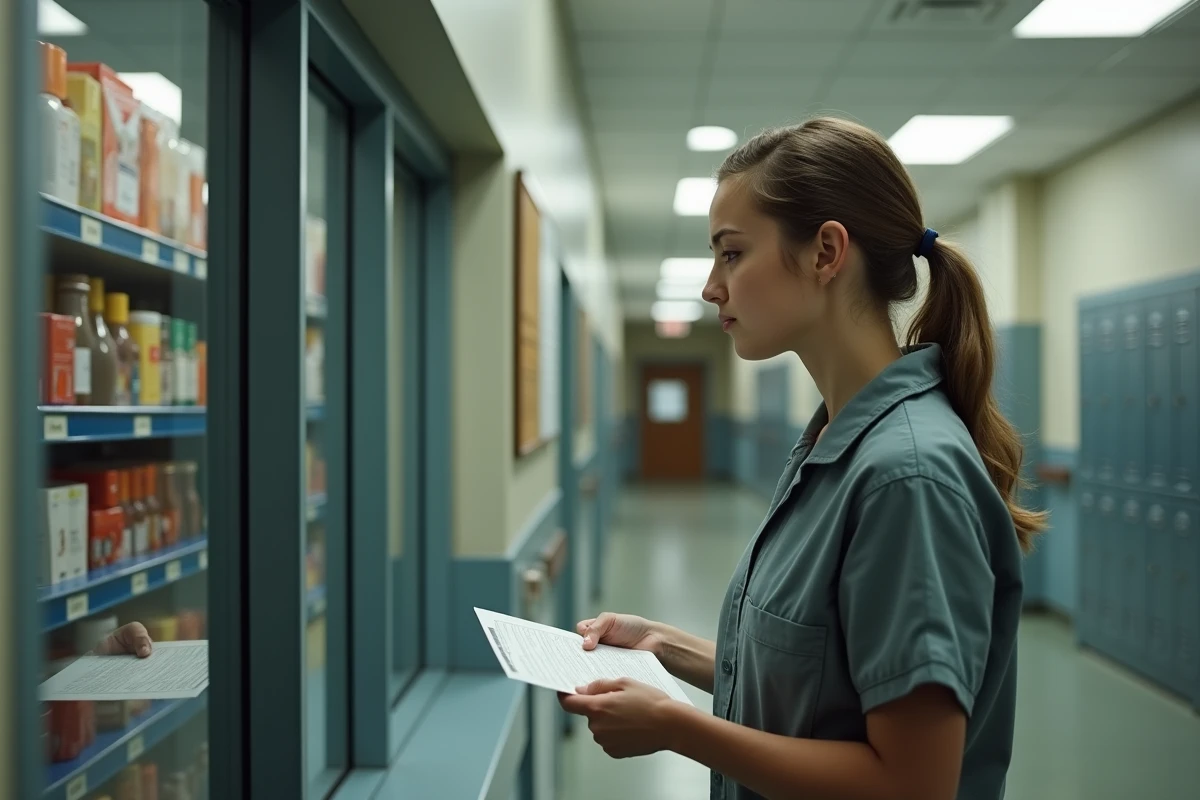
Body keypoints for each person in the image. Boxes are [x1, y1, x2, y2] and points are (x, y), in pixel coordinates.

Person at [558, 117, 1046, 800]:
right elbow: (815, 682)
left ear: (826, 252)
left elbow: (912, 785)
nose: (711, 286)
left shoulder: (906, 477)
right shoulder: (831, 443)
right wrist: (665, 648)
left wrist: (679, 728)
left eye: (732, 254)